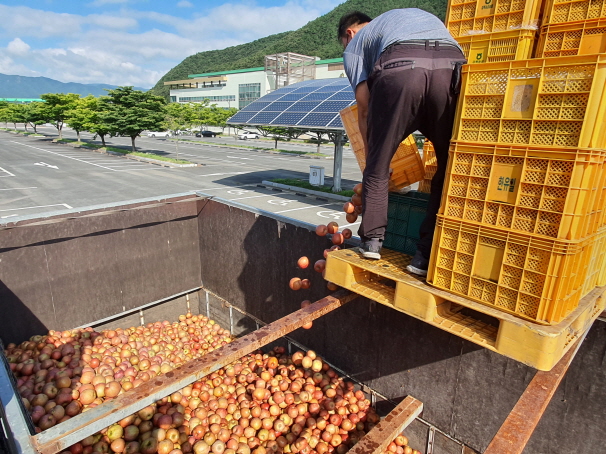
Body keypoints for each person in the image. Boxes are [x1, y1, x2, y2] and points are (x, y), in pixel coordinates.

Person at [338, 9, 466, 276]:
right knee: (447, 166)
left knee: (377, 165)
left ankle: (372, 242)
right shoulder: (394, 23)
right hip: (451, 66)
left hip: (401, 69)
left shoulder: (354, 47)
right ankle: (423, 257)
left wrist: (373, 152)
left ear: (349, 34)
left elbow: (363, 106)